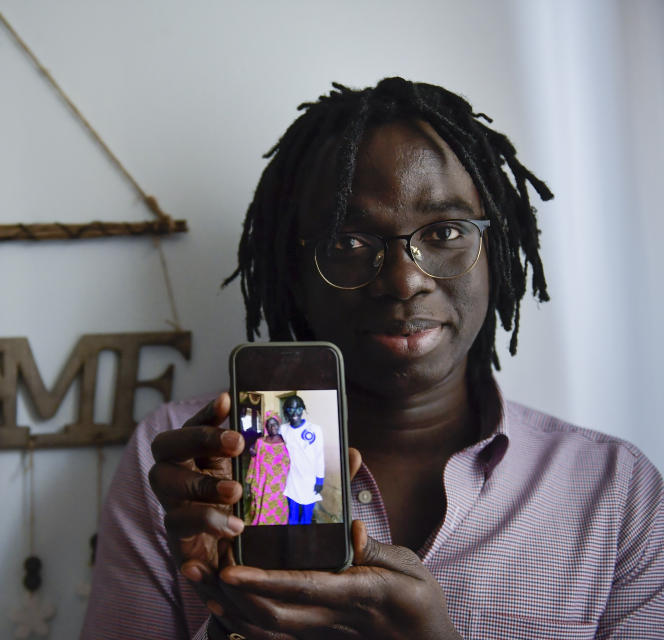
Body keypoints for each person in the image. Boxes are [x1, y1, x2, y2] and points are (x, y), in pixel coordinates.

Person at [81, 78, 664, 639]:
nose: (406, 280)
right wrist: (236, 619)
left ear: (496, 248)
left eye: (445, 231)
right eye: (349, 242)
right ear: (294, 269)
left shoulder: (615, 491)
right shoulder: (190, 463)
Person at [277, 395, 324, 525]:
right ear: (286, 410)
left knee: (306, 517)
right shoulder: (283, 429)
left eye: (298, 409)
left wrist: (320, 479)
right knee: (292, 515)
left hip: (310, 479)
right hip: (291, 479)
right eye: (291, 409)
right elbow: (273, 444)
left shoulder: (314, 429)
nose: (295, 413)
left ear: (303, 409)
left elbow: (319, 456)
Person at [243, 411, 289, 526]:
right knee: (262, 508)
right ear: (265, 427)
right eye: (269, 424)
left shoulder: (286, 443)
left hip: (280, 487)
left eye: (275, 424)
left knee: (278, 511)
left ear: (279, 425)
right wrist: (249, 482)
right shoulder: (260, 442)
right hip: (262, 484)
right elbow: (254, 463)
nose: (273, 427)